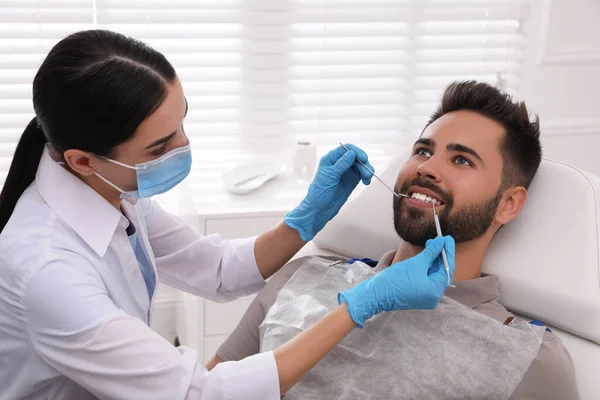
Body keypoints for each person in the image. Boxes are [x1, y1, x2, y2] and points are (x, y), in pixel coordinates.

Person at [0, 29, 456, 400]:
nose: (182, 147)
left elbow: (217, 270)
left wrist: (307, 218)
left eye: (181, 123)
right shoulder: (47, 269)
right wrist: (362, 304)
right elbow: (199, 393)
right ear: (83, 159)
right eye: (159, 147)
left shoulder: (110, 188)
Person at [208, 81, 580, 399]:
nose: (427, 168)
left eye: (462, 161)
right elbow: (200, 391)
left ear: (508, 203)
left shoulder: (529, 356)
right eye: (423, 151)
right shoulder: (303, 277)